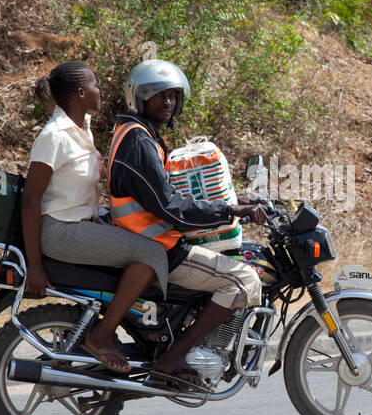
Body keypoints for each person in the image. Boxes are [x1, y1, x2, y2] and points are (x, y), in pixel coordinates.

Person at [106, 59, 265, 390]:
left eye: (173, 96)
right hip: (159, 248)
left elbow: (168, 198)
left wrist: (232, 207)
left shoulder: (138, 135)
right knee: (243, 281)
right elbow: (171, 207)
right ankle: (175, 357)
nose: (167, 102)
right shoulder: (138, 141)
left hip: (151, 243)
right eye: (158, 95)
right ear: (138, 98)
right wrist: (229, 211)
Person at [22, 61, 166, 375]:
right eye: (95, 85)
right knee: (152, 253)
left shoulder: (82, 126)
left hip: (85, 223)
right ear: (79, 93)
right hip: (61, 231)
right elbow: (31, 200)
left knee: (150, 241)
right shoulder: (55, 136)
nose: (100, 91)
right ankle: (100, 337)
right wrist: (35, 265)